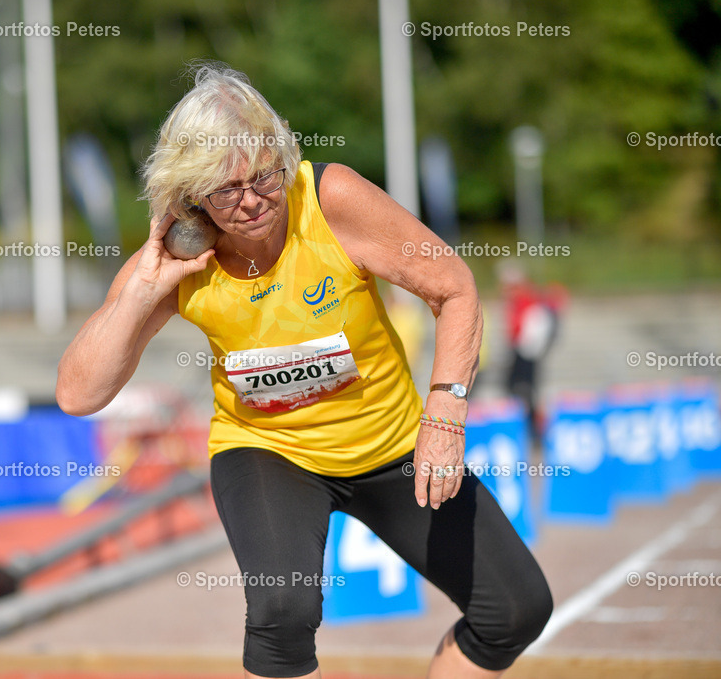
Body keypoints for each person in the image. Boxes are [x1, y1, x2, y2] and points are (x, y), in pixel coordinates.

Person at [57, 64, 552, 679]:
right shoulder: (180, 259)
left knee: (518, 608)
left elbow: (454, 287)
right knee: (283, 608)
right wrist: (138, 293)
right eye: (226, 189)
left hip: (393, 446)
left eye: (264, 175)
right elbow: (78, 394)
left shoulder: (331, 200)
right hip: (269, 452)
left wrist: (445, 413)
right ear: (190, 197)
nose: (253, 200)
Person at [498, 261, 567, 439]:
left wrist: (526, 346)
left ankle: (534, 431)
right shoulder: (522, 298)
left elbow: (530, 328)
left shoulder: (526, 298)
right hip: (524, 351)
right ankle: (528, 429)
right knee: (521, 390)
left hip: (527, 352)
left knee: (527, 391)